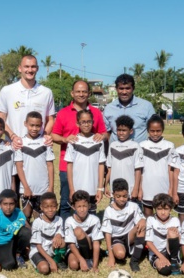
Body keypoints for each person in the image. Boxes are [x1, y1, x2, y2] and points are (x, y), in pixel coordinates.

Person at [51, 80, 106, 220]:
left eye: (84, 91)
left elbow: (104, 133)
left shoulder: (96, 113)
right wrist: (65, 139)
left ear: (89, 93)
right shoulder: (63, 113)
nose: (81, 94)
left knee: (89, 202)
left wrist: (102, 136)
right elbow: (53, 135)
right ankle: (64, 233)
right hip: (67, 166)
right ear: (72, 93)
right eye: (78, 91)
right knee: (66, 202)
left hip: (89, 167)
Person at [0, 55, 55, 149]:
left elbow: (50, 120)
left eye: (33, 67)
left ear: (37, 68)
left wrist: (44, 135)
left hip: (38, 148)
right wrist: (13, 137)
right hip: (14, 147)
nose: (30, 70)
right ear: (20, 68)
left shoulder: (46, 92)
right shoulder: (7, 91)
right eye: (26, 66)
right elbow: (0, 118)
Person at [15, 111, 54, 221]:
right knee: (26, 216)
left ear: (42, 125)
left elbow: (50, 166)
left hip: (43, 188)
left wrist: (50, 187)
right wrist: (26, 187)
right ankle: (27, 238)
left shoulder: (46, 142)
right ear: (25, 124)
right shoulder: (20, 143)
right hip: (27, 189)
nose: (34, 128)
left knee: (41, 218)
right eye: (31, 125)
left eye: (37, 125)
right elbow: (19, 167)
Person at [65, 109, 106, 214]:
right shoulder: (73, 141)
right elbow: (69, 166)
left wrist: (100, 188)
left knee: (91, 217)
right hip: (77, 187)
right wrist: (71, 189)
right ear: (77, 123)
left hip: (93, 188)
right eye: (83, 122)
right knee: (78, 218)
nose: (86, 125)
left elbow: (101, 165)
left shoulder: (98, 140)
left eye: (89, 121)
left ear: (93, 122)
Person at [101, 179, 146, 272]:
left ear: (128, 194)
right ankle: (121, 250)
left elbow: (141, 220)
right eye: (118, 196)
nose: (122, 199)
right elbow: (108, 234)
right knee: (120, 255)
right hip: (117, 238)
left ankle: (134, 261)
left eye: (124, 196)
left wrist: (142, 220)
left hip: (130, 236)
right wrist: (111, 256)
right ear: (113, 194)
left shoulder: (133, 206)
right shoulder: (108, 211)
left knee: (141, 226)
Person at [103, 73, 155, 144]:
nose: (124, 92)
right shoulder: (109, 108)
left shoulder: (146, 106)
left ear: (133, 88)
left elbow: (154, 130)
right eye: (121, 88)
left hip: (139, 152)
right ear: (116, 89)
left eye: (127, 88)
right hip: (116, 152)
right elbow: (107, 133)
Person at [139, 115, 175, 217]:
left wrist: (171, 189)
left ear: (162, 130)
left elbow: (171, 169)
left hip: (164, 186)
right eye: (152, 131)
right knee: (148, 216)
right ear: (147, 130)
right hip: (147, 187)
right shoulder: (141, 145)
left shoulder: (169, 145)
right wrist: (140, 189)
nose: (155, 134)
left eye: (158, 131)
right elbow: (139, 170)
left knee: (163, 216)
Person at [0, 189, 31, 270]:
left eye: (11, 204)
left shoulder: (18, 212)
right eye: (5, 204)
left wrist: (29, 245)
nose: (8, 207)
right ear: (0, 204)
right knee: (9, 265)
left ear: (15, 204)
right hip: (2, 244)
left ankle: (18, 255)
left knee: (26, 232)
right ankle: (9, 256)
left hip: (14, 242)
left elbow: (27, 227)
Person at [104, 115, 142, 202]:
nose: (121, 133)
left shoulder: (135, 146)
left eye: (124, 130)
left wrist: (136, 189)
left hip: (130, 189)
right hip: (115, 188)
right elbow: (109, 168)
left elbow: (138, 170)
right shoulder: (112, 145)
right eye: (119, 130)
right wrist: (105, 185)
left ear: (131, 131)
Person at [64, 190, 103, 272]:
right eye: (79, 206)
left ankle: (89, 259)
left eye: (84, 206)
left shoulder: (94, 220)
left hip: (89, 248)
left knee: (78, 231)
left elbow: (96, 243)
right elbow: (71, 244)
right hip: (75, 249)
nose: (82, 209)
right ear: (74, 207)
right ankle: (83, 260)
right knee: (73, 265)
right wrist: (81, 259)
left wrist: (95, 266)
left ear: (89, 206)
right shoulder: (69, 221)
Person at [29, 192, 66, 274]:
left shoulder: (59, 219)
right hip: (38, 251)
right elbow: (38, 246)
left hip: (50, 249)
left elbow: (60, 233)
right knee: (44, 269)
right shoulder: (37, 222)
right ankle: (47, 262)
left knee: (62, 242)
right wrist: (51, 262)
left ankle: (57, 260)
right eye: (46, 207)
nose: (50, 210)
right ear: (41, 207)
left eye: (53, 206)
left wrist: (59, 235)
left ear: (57, 206)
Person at [145, 194, 182, 276]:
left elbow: (180, 241)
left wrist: (176, 234)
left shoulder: (175, 220)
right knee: (165, 270)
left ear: (171, 209)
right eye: (159, 209)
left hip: (170, 251)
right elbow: (148, 242)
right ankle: (164, 261)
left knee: (172, 232)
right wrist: (161, 257)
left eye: (166, 209)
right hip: (156, 253)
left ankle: (174, 261)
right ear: (154, 209)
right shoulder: (151, 220)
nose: (162, 212)